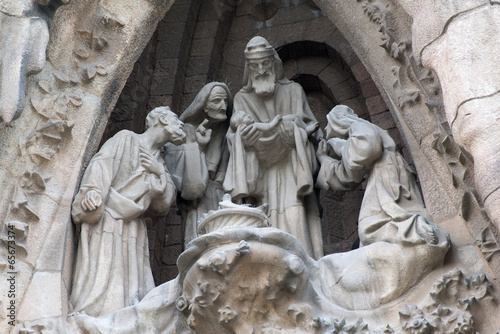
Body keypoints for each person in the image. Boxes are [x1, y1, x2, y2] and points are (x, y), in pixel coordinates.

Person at [70, 106, 186, 317]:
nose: (181, 124)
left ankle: (124, 319)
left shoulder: (160, 164)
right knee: (102, 276)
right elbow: (101, 165)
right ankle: (94, 315)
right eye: (176, 118)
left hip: (133, 227)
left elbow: (163, 205)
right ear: (161, 119)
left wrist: (158, 170)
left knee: (130, 285)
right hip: (107, 219)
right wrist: (93, 192)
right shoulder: (126, 139)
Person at [223, 36, 323, 259]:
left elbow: (311, 130)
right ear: (248, 69)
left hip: (291, 170)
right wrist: (242, 138)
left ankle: (303, 263)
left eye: (264, 64)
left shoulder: (293, 91)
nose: (260, 70)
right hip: (259, 175)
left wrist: (295, 132)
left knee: (295, 217)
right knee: (262, 221)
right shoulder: (241, 98)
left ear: (274, 63)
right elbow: (234, 139)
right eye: (254, 66)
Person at [316, 105, 444, 247]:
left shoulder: (359, 127)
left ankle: (417, 228)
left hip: (387, 176)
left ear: (338, 121)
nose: (326, 130)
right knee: (369, 230)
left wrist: (342, 147)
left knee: (370, 229)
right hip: (382, 177)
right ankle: (414, 229)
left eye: (328, 124)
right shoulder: (357, 135)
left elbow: (368, 149)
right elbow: (349, 175)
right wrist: (323, 159)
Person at [164, 82, 232, 246]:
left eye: (225, 101)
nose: (223, 106)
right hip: (197, 204)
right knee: (200, 249)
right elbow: (186, 184)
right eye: (216, 101)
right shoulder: (185, 131)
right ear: (204, 106)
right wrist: (198, 148)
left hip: (223, 199)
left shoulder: (227, 133)